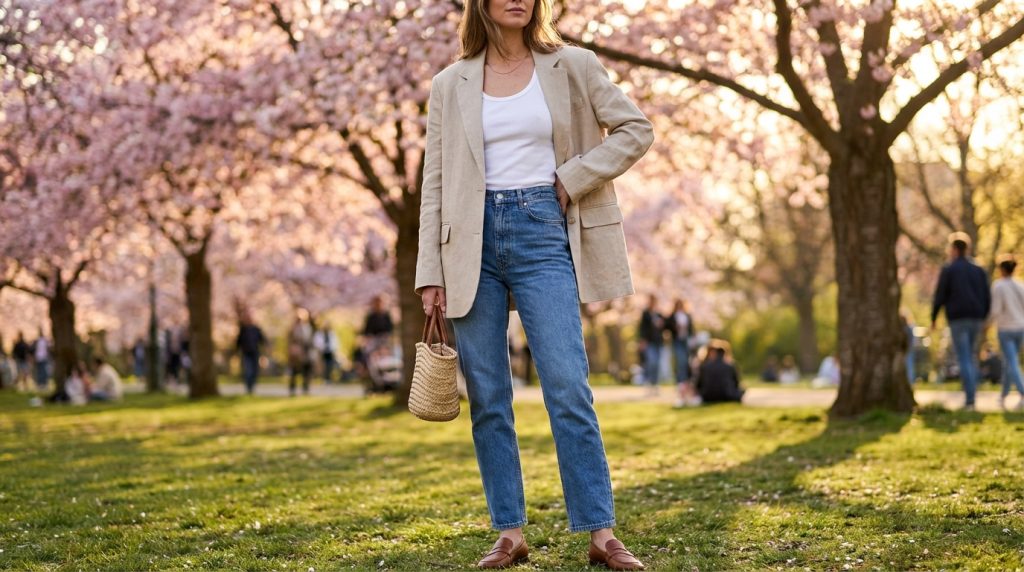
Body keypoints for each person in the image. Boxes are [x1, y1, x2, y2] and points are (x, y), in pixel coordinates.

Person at [413, 0, 654, 568]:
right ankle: (509, 532)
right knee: (490, 398)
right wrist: (430, 274)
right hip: (468, 244)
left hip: (545, 229)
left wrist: (573, 177)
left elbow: (634, 129)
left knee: (569, 387)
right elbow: (435, 180)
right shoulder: (451, 83)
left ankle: (600, 532)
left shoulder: (573, 64)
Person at [931, 231, 990, 411]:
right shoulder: (979, 269)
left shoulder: (949, 269)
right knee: (971, 355)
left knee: (964, 356)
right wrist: (985, 316)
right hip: (976, 317)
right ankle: (971, 390)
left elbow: (940, 295)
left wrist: (934, 318)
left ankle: (970, 398)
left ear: (955, 249)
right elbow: (987, 295)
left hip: (958, 318)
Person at [988, 254, 1024, 410]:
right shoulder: (1020, 285)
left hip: (1005, 328)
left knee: (1012, 362)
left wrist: (987, 324)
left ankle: (1022, 391)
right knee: (1010, 362)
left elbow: (995, 309)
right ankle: (1004, 394)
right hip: (1020, 327)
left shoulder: (998, 286)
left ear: (1002, 269)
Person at [666, 299, 697, 407]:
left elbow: (692, 328)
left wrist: (693, 338)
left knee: (688, 363)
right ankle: (681, 384)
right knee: (681, 362)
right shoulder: (672, 316)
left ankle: (687, 385)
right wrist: (675, 327)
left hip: (687, 341)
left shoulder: (687, 315)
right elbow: (667, 326)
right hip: (677, 341)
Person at [638, 295, 666, 396]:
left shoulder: (659, 314)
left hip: (658, 342)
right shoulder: (645, 314)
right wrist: (642, 341)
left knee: (657, 364)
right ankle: (649, 383)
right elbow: (642, 328)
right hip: (649, 342)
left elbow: (665, 326)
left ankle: (655, 384)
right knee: (651, 362)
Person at [236, 310, 266, 395]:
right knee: (248, 370)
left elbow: (262, 339)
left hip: (255, 352)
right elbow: (238, 341)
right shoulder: (243, 329)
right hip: (246, 352)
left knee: (254, 370)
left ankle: (252, 386)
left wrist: (265, 348)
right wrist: (237, 351)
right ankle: (248, 387)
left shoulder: (256, 329)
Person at [287, 308, 315, 396]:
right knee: (294, 371)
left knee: (307, 370)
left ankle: (305, 388)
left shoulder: (308, 327)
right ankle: (292, 389)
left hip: (306, 351)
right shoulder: (293, 328)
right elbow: (291, 341)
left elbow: (310, 340)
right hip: (297, 353)